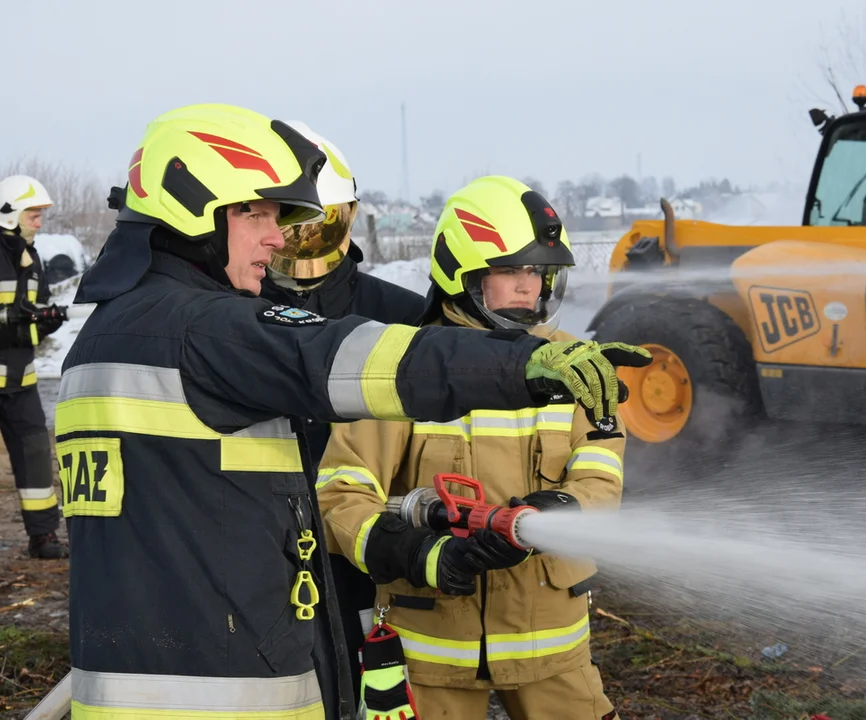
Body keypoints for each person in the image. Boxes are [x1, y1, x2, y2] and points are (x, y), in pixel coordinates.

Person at [55, 104, 651, 720]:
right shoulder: (205, 328)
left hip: (137, 687)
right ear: (191, 206)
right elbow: (335, 358)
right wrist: (520, 366)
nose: (276, 236)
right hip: (224, 692)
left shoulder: (100, 341)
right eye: (256, 212)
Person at [317, 176, 626, 720]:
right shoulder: (404, 367)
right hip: (430, 648)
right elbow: (340, 495)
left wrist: (560, 510)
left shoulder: (576, 364)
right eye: (510, 270)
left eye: (536, 271)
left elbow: (601, 473)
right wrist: (422, 555)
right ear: (462, 274)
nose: (528, 287)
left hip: (550, 644)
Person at [259, 120, 427, 710]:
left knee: (376, 684)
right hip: (263, 542)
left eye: (319, 225)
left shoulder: (403, 316)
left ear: (347, 216)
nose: (304, 247)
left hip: (369, 550)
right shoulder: (228, 318)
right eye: (291, 227)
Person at [0, 174, 68, 559]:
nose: (39, 223)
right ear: (9, 213)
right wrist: (9, 317)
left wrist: (46, 319)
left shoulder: (32, 257)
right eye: (34, 215)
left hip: (20, 383)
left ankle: (43, 536)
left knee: (35, 457)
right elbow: (10, 318)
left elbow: (30, 322)